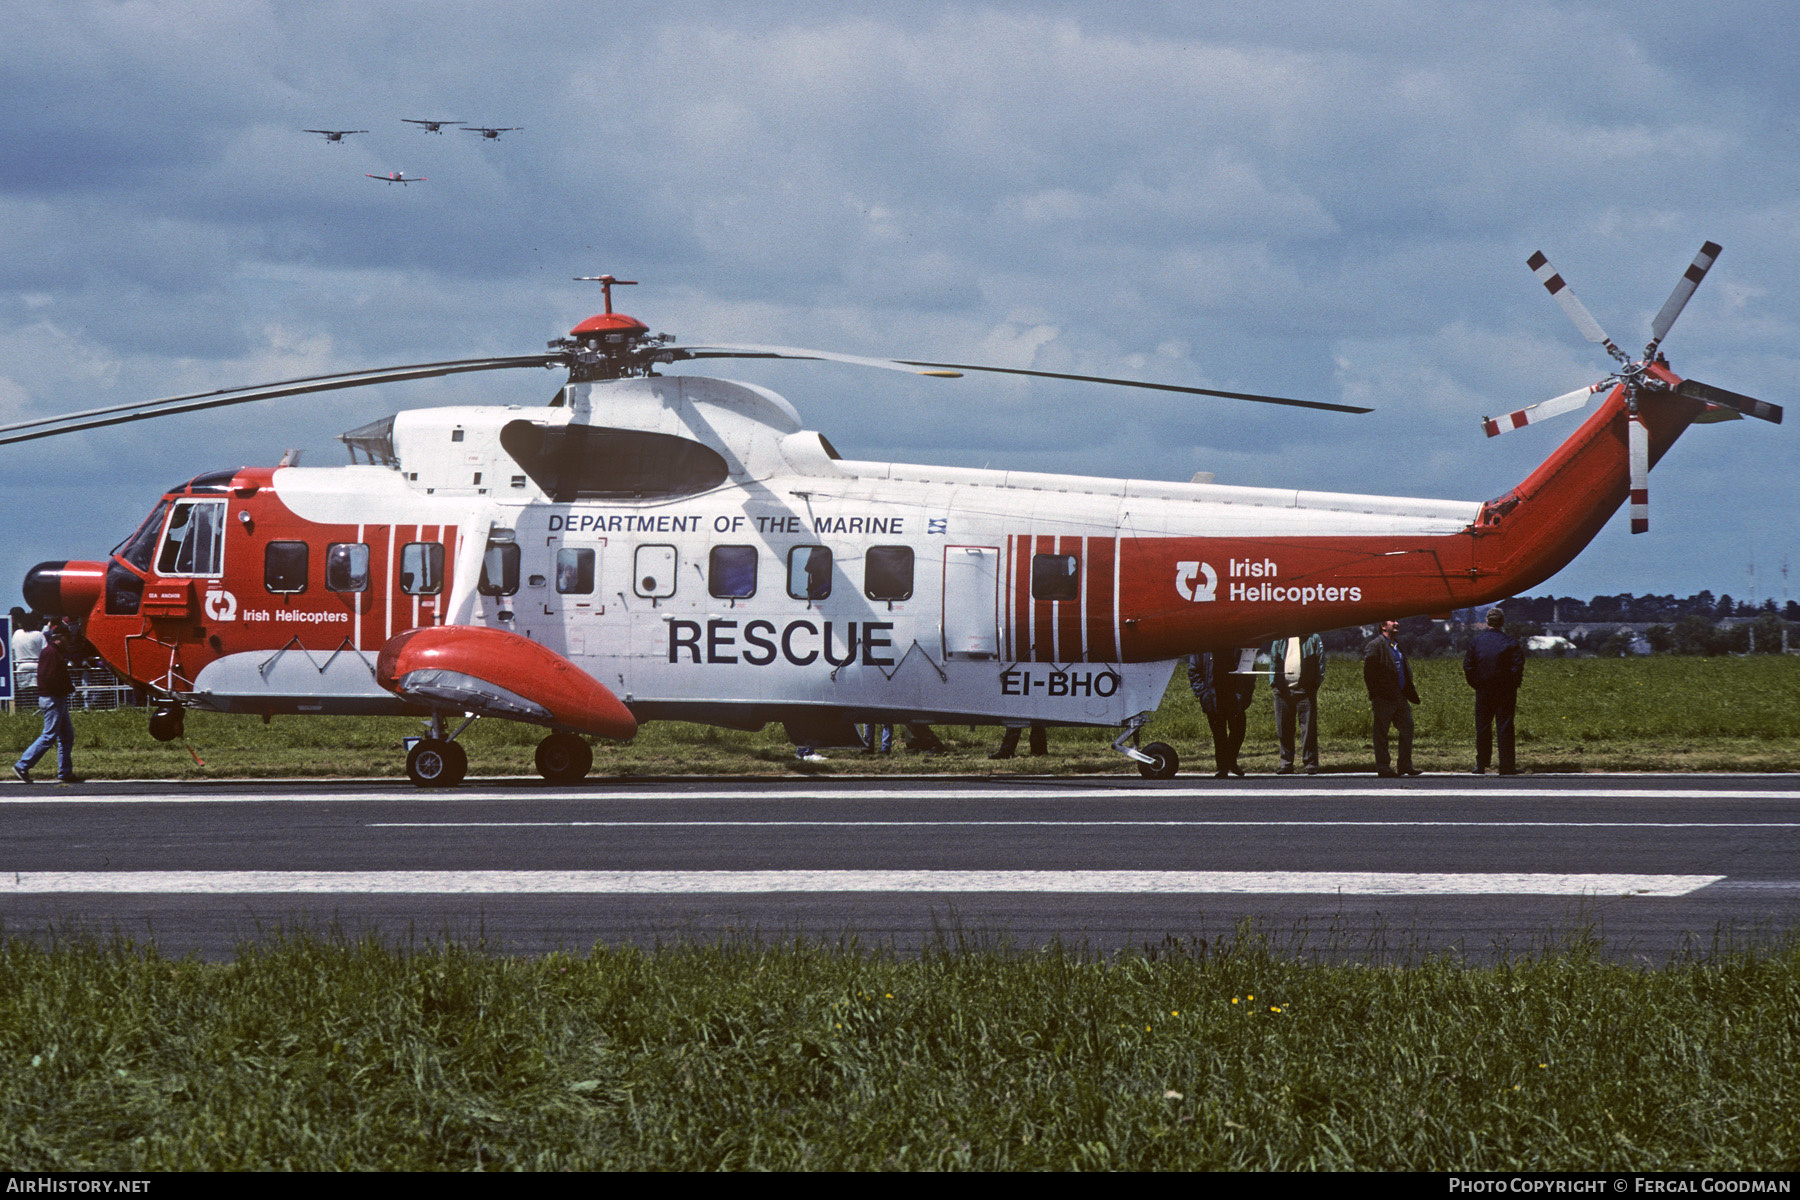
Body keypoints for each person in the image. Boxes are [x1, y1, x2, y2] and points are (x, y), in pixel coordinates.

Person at [14, 620, 78, 784]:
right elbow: (48, 677)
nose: (70, 640)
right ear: (59, 637)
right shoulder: (51, 652)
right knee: (49, 735)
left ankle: (65, 772)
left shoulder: (55, 652)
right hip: (52, 698)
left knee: (66, 736)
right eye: (67, 637)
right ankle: (23, 765)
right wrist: (64, 687)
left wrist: (66, 687)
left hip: (57, 698)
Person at [1463, 607, 1525, 775]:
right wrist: (1512, 684)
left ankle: (1481, 764)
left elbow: (1468, 666)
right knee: (1505, 726)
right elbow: (1517, 666)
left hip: (1483, 689)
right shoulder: (1510, 642)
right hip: (1505, 690)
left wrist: (1476, 684)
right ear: (1502, 622)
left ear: (1487, 622)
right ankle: (1506, 765)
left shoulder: (1476, 642)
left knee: (1482, 726)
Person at [1362, 619, 1422, 777]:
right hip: (1384, 698)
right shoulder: (1375, 645)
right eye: (1392, 621)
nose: (1397, 623)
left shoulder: (1396, 645)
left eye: (1397, 621)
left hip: (1401, 696)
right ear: (1383, 625)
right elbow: (1369, 673)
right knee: (1381, 733)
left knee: (1407, 728)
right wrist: (1376, 694)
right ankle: (1383, 767)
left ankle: (1405, 765)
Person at [1189, 650, 1255, 778]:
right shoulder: (1202, 646)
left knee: (1238, 730)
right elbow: (1193, 670)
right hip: (1213, 697)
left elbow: (1249, 668)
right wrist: (1202, 693)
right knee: (1219, 735)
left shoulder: (1236, 644)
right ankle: (1222, 767)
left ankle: (1231, 760)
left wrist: (1247, 693)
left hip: (1234, 695)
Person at [1267, 632, 1325, 774]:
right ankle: (1286, 763)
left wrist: (1314, 684)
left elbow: (1321, 662)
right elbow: (1273, 660)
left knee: (1308, 729)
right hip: (1282, 691)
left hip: (1305, 690)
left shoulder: (1313, 638)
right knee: (1284, 728)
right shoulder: (1280, 638)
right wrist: (1273, 683)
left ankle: (1310, 763)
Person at [10, 608, 45, 700]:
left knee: (25, 693)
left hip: (21, 666)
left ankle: (26, 710)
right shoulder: (39, 634)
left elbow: (12, 650)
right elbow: (45, 651)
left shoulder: (17, 633)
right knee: (38, 691)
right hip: (37, 665)